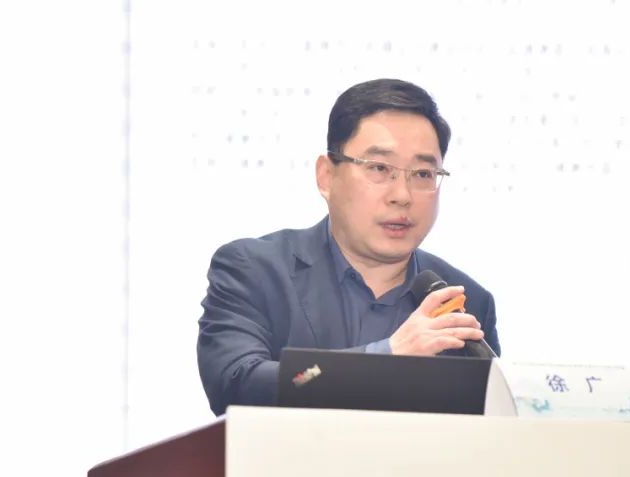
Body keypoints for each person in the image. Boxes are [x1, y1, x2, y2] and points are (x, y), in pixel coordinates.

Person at [197, 78, 501, 416]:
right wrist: (387, 357)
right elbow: (239, 383)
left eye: (423, 174)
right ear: (327, 176)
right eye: (379, 168)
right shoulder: (255, 270)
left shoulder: (467, 303)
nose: (402, 195)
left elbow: (493, 424)